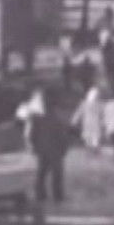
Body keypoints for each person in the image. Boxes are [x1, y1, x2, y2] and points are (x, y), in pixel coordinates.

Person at [28, 87, 71, 216]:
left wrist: (34, 147)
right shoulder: (58, 119)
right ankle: (57, 196)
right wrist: (64, 148)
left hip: (42, 148)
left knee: (41, 173)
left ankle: (40, 195)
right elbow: (63, 135)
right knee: (57, 174)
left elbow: (32, 135)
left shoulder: (37, 119)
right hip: (55, 149)